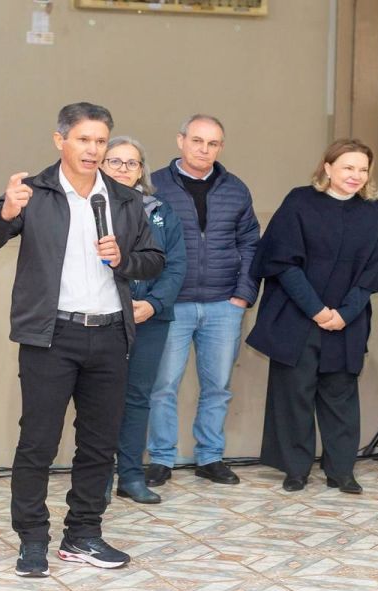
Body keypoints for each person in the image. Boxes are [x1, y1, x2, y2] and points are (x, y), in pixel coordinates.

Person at [0, 102, 165, 578]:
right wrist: (6, 212)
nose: (93, 149)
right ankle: (32, 540)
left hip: (111, 334)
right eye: (84, 140)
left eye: (100, 141)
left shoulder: (126, 200)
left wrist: (124, 261)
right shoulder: (33, 192)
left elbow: (154, 259)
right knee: (38, 443)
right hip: (51, 335)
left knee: (99, 445)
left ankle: (83, 535)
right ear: (60, 141)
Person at [247, 139, 378, 494]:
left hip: (345, 321)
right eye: (348, 167)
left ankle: (342, 471)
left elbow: (373, 271)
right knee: (294, 394)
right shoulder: (299, 202)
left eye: (363, 169)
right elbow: (282, 263)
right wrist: (317, 310)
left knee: (341, 396)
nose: (356, 176)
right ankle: (295, 469)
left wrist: (344, 314)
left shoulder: (372, 212)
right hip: (297, 316)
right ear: (328, 168)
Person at [145, 114, 260, 488]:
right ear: (180, 141)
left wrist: (243, 296)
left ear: (221, 147)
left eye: (212, 143)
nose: (204, 149)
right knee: (163, 386)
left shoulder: (236, 189)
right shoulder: (156, 185)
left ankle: (210, 456)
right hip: (171, 305)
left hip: (223, 305)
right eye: (197, 141)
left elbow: (250, 244)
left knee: (218, 386)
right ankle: (161, 458)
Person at [100, 136, 186, 505]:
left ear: (142, 169)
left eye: (131, 163)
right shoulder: (90, 208)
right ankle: (98, 477)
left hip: (151, 319)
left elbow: (176, 266)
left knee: (137, 398)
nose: (122, 169)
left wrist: (151, 304)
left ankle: (131, 476)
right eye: (114, 161)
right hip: (102, 318)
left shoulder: (162, 211)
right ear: (100, 165)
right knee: (100, 401)